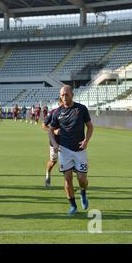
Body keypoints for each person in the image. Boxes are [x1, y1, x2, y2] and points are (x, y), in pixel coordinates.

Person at [48, 85, 94, 216]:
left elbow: (90, 126)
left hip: (80, 150)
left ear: (72, 94)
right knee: (67, 178)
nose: (64, 96)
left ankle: (83, 191)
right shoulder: (57, 112)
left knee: (82, 179)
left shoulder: (81, 109)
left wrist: (86, 140)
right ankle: (73, 205)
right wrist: (55, 143)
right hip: (65, 150)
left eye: (66, 94)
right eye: (62, 95)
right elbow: (50, 130)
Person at [41, 99, 63, 187]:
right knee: (53, 161)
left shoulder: (72, 112)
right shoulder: (53, 112)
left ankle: (69, 185)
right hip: (55, 141)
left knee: (69, 164)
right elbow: (43, 126)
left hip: (68, 141)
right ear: (59, 103)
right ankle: (48, 173)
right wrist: (54, 132)